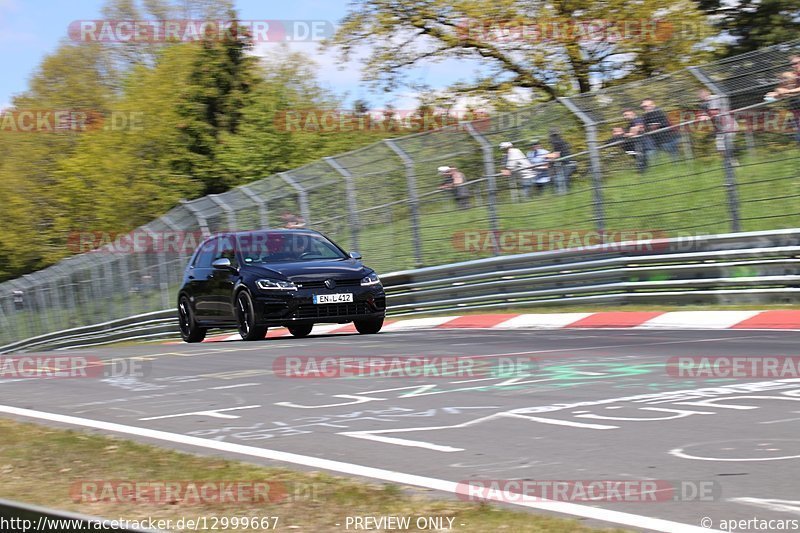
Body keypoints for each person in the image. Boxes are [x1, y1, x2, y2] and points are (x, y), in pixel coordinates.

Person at [697, 89, 738, 165]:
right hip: (720, 128)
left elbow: (715, 112)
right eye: (700, 96)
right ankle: (731, 163)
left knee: (726, 145)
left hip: (729, 125)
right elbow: (703, 116)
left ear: (707, 93)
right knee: (720, 147)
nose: (702, 97)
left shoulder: (714, 98)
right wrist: (702, 115)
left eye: (703, 94)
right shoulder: (705, 104)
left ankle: (733, 165)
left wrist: (706, 115)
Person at [765, 56, 800, 144]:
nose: (794, 65)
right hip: (796, 109)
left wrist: (787, 91)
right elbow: (784, 91)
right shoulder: (792, 76)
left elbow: (791, 91)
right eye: (792, 64)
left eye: (797, 63)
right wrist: (776, 93)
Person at [546, 128, 576, 194]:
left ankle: (565, 194)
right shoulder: (561, 141)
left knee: (562, 180)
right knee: (562, 179)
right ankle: (566, 194)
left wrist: (548, 159)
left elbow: (556, 154)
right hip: (569, 162)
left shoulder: (556, 142)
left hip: (568, 163)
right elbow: (557, 153)